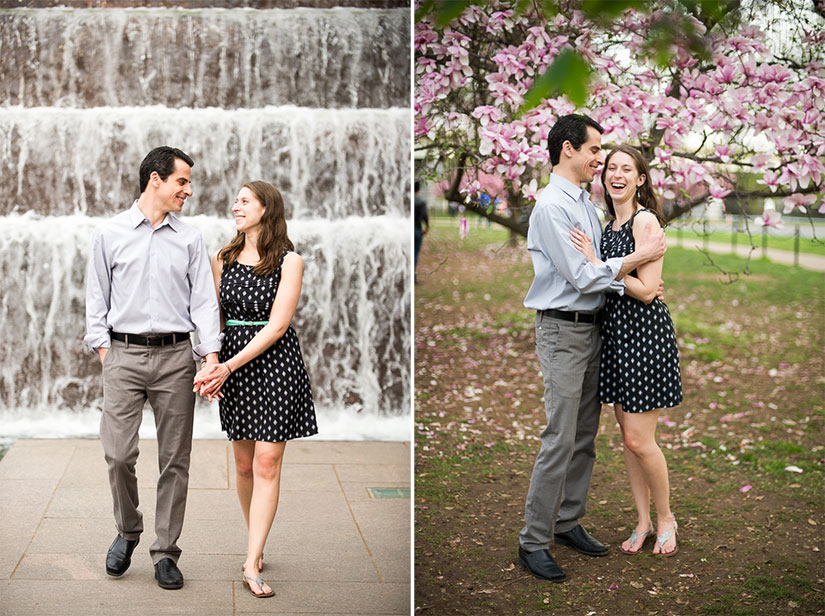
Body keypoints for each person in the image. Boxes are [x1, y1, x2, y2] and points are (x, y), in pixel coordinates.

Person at [517, 114, 666, 583]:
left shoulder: (584, 202)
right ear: (569, 150)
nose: (600, 160)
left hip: (593, 327)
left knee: (584, 437)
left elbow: (598, 268)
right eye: (595, 150)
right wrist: (638, 264)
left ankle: (567, 522)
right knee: (559, 437)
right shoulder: (552, 208)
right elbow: (584, 276)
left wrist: (622, 277)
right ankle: (533, 541)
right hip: (562, 331)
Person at [84, 146, 222, 590]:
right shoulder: (109, 234)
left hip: (176, 359)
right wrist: (105, 352)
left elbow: (203, 301)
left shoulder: (190, 238)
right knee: (118, 455)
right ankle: (128, 530)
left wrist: (210, 355)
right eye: (182, 181)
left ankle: (166, 551)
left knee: (174, 460)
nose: (189, 190)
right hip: (122, 356)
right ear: (155, 180)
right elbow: (95, 299)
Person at [194, 181, 318, 598]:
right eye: (236, 200)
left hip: (275, 366)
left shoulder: (289, 261)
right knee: (244, 466)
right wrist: (212, 363)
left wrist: (226, 365)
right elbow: (211, 317)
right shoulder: (222, 258)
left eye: (244, 201)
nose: (235, 207)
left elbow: (278, 325)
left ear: (267, 208)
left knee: (267, 463)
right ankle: (257, 542)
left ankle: (251, 561)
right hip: (232, 370)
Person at [570, 145, 682, 557]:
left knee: (639, 439)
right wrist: (605, 265)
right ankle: (642, 521)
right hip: (616, 337)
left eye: (626, 169)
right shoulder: (606, 226)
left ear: (640, 179)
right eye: (610, 168)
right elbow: (619, 278)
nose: (616, 174)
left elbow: (649, 291)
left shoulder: (644, 221)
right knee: (628, 438)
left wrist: (602, 268)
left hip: (644, 337)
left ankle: (667, 517)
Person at [414, 180, 429, 284]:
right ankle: (413, 278)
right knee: (415, 254)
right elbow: (424, 216)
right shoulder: (421, 202)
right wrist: (427, 226)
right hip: (417, 230)